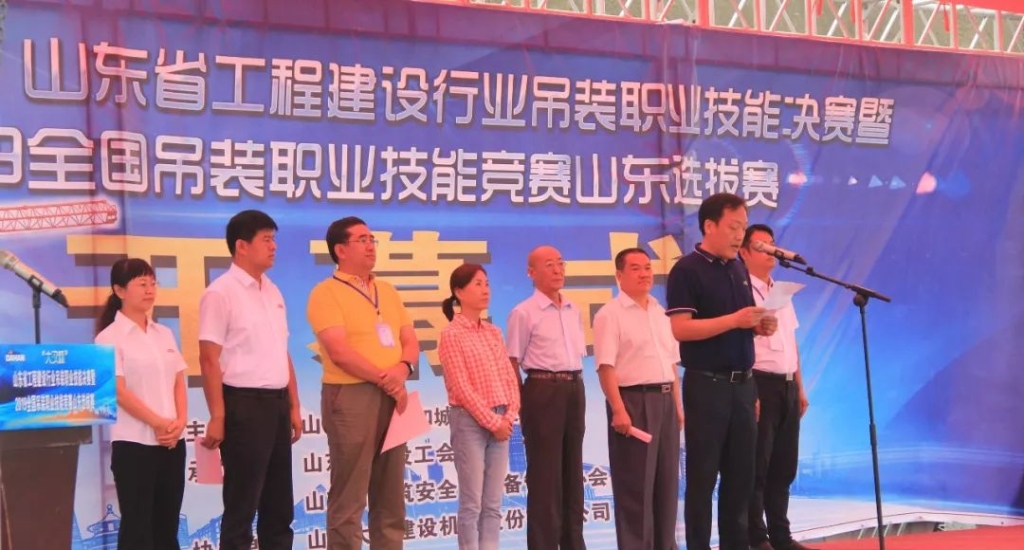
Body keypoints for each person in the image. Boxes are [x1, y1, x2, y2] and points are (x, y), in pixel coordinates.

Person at [665, 193, 778, 550]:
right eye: (733, 227)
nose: (739, 235)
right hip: (706, 386)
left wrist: (760, 325)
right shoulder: (686, 270)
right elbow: (681, 329)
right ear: (709, 226)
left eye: (743, 228)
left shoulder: (738, 268)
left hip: (743, 385)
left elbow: (744, 322)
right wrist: (734, 321)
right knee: (702, 479)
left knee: (741, 478)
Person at [307, 216, 419, 550]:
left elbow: (409, 340)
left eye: (372, 239)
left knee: (391, 497)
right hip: (352, 396)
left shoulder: (387, 291)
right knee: (350, 498)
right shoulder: (326, 293)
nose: (370, 246)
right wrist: (387, 379)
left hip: (394, 394)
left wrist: (402, 369)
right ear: (340, 250)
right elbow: (339, 352)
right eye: (362, 240)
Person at [198, 210, 302, 550]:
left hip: (277, 405)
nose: (274, 246)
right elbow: (208, 358)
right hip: (243, 405)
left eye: (274, 239)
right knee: (242, 507)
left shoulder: (273, 291)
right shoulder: (220, 293)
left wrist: (294, 406)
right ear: (241, 246)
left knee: (279, 507)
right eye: (266, 239)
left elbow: (282, 351)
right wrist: (218, 415)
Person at [593, 248, 683, 550]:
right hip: (633, 402)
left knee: (667, 485)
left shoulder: (660, 312)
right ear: (619, 275)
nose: (644, 274)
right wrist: (618, 409)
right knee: (636, 488)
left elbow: (671, 364)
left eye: (647, 267)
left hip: (666, 401)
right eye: (635, 268)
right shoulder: (610, 315)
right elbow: (605, 367)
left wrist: (678, 407)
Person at [95, 258, 187, 550]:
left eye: (153, 283)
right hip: (134, 446)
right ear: (119, 290)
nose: (150, 290)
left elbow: (178, 380)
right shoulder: (108, 338)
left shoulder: (164, 333)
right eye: (142, 284)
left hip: (172, 443)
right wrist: (158, 423)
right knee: (137, 531)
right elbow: (119, 392)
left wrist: (180, 422)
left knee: (167, 528)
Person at [739, 225, 815, 550]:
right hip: (759, 383)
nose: (770, 250)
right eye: (761, 245)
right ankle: (757, 538)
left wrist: (799, 387)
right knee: (758, 466)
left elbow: (791, 342)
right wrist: (749, 391)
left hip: (786, 386)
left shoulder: (781, 292)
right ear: (743, 252)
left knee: (783, 467)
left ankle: (781, 536)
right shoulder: (740, 291)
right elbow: (739, 345)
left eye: (772, 244)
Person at [506, 245, 587, 550]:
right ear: (531, 273)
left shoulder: (573, 309)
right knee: (545, 477)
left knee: (572, 473)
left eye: (560, 263)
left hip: (574, 387)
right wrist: (521, 403)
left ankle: (574, 544)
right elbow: (512, 361)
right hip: (542, 390)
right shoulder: (524, 312)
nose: (557, 270)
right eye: (549, 264)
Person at [438, 263, 521, 550]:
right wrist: (493, 422)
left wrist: (508, 416)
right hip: (470, 422)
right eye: (477, 284)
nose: (485, 289)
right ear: (459, 292)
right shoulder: (451, 333)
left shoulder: (493, 332)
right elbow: (460, 386)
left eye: (486, 283)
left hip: (501, 421)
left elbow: (509, 378)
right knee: (472, 504)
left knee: (493, 504)